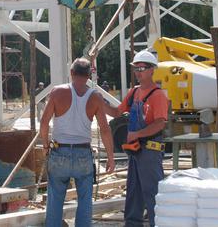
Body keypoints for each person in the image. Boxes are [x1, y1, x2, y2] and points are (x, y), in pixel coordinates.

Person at [40, 57, 115, 227]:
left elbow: (44, 123)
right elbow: (105, 129)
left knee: (55, 200)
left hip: (59, 152)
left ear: (72, 72)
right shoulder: (95, 97)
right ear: (89, 75)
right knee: (85, 201)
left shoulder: (57, 92)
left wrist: (45, 146)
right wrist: (110, 157)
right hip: (83, 154)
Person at [105, 50, 169, 227]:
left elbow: (160, 124)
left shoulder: (157, 95)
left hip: (150, 151)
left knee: (152, 192)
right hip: (135, 151)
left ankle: (158, 223)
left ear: (152, 70)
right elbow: (117, 112)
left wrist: (138, 134)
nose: (138, 72)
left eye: (142, 68)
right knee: (134, 192)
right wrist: (98, 102)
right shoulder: (134, 93)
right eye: (136, 68)